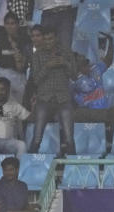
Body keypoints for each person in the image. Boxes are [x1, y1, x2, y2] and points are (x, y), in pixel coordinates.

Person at [29, 26, 77, 155]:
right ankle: (28, 167)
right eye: (45, 39)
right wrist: (47, 66)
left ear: (56, 38)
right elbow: (36, 80)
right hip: (44, 99)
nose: (48, 42)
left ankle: (73, 169)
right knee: (37, 138)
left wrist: (65, 63)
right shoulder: (37, 55)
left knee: (69, 138)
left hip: (63, 99)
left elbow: (74, 76)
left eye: (50, 39)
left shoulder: (67, 52)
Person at [0, 11, 31, 103]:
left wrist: (14, 46)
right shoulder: (1, 38)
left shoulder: (25, 39)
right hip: (3, 74)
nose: (10, 26)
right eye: (7, 24)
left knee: (17, 110)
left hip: (19, 77)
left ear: (18, 25)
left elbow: (22, 66)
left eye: (13, 23)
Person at [70, 46, 114, 124]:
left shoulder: (96, 69)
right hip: (87, 113)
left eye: (86, 61)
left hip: (103, 111)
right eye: (83, 63)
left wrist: (111, 42)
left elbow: (108, 60)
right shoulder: (72, 81)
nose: (87, 64)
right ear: (76, 66)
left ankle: (111, 132)